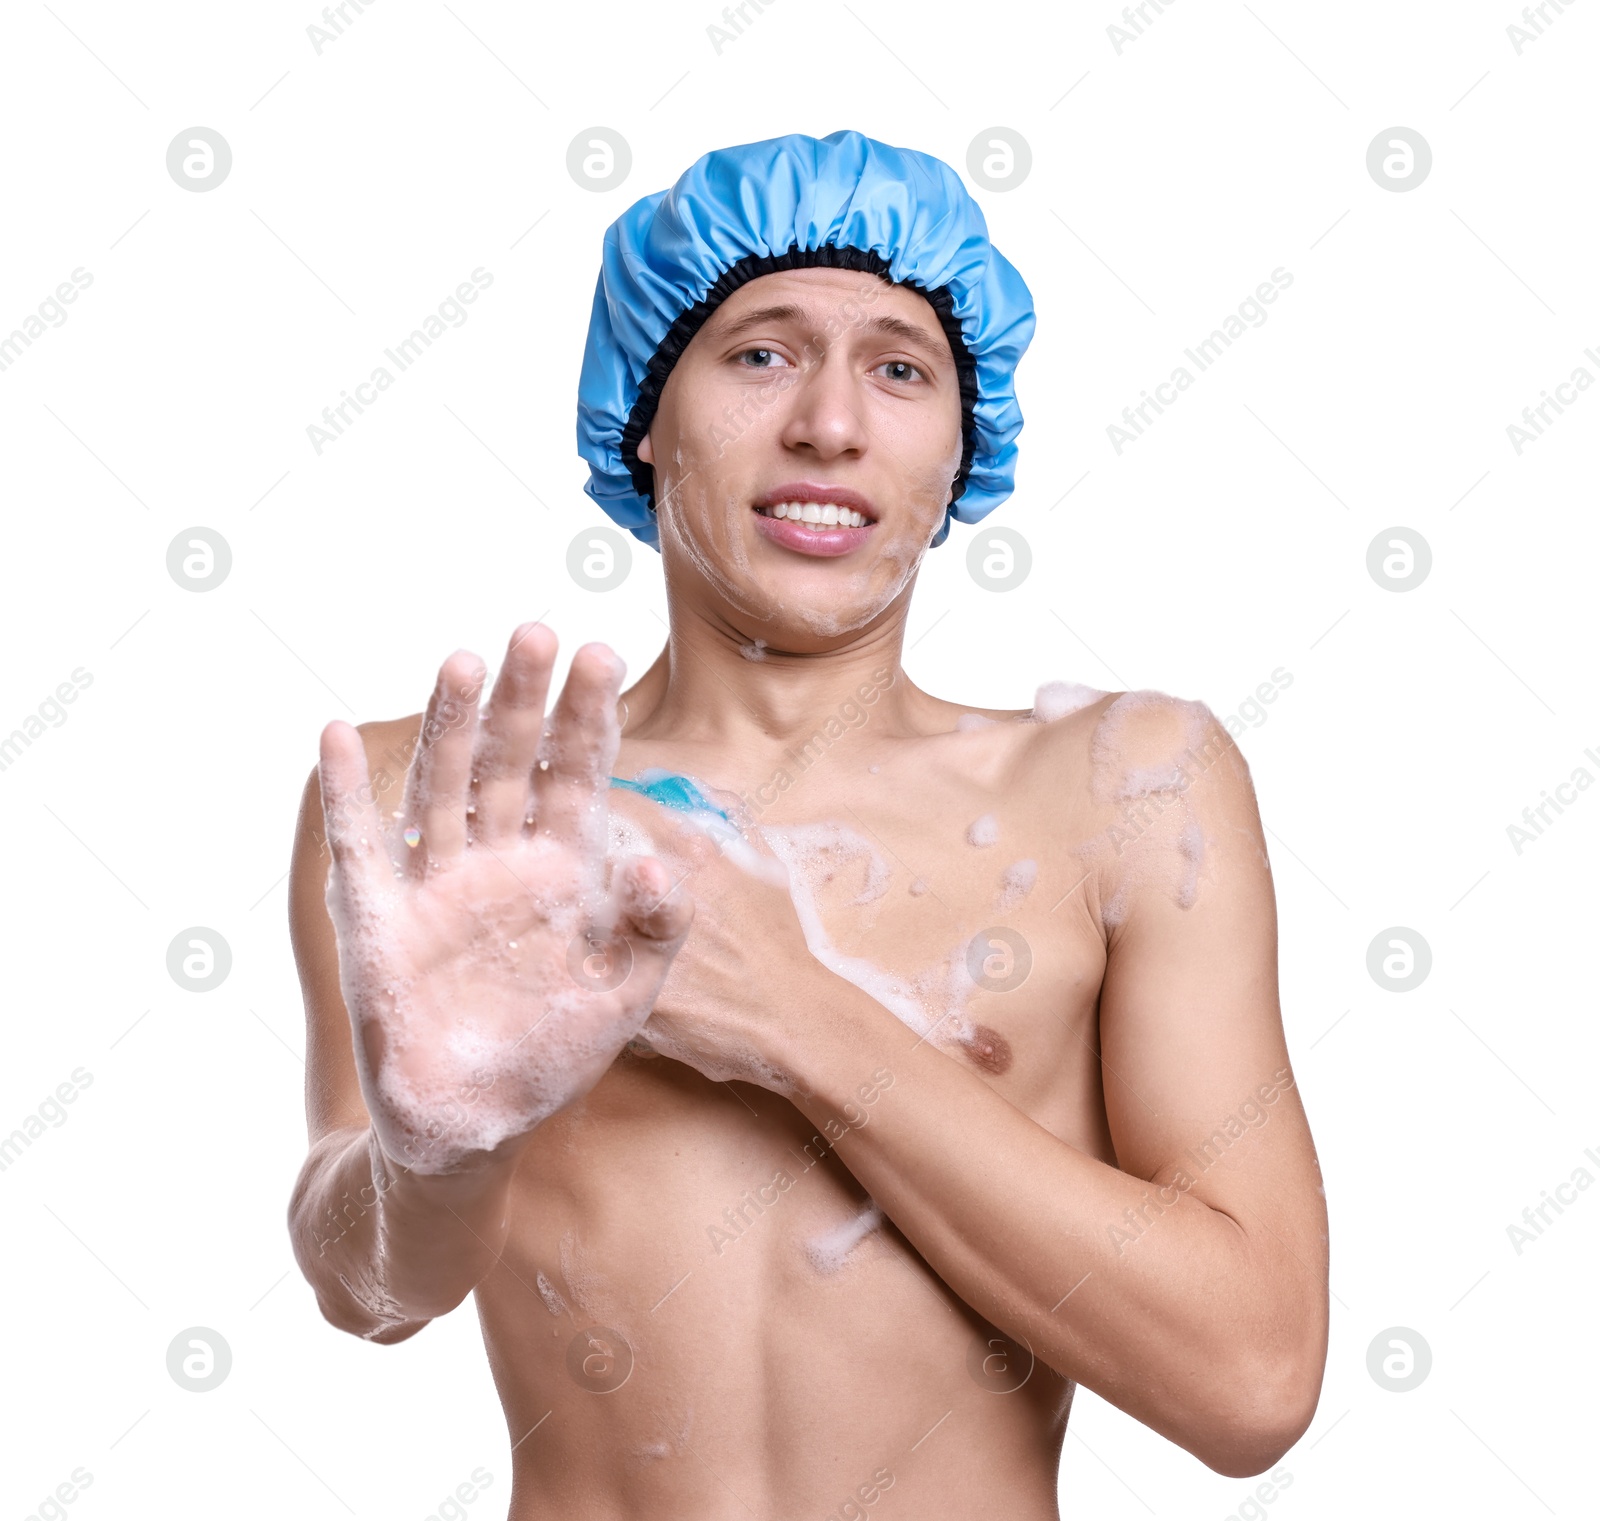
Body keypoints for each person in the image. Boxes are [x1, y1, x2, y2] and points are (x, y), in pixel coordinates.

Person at [286, 129, 1329, 1517]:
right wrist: (439, 1147)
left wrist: (790, 1010)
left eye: (901, 366)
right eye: (762, 352)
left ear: (964, 443)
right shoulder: (454, 796)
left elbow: (1251, 1382)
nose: (831, 423)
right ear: (647, 412)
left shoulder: (1128, 792)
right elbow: (369, 1291)